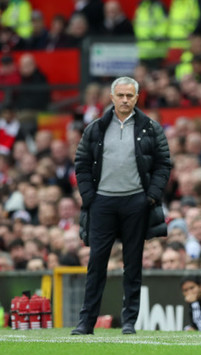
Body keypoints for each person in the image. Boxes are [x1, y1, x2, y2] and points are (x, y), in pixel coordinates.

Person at [71, 76, 171, 335]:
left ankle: (129, 322)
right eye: (121, 95)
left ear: (137, 98)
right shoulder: (96, 128)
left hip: (136, 202)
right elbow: (81, 162)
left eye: (130, 95)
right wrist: (89, 197)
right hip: (102, 202)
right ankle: (86, 322)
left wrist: (151, 196)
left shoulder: (150, 127)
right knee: (96, 263)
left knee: (133, 264)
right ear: (112, 97)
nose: (125, 100)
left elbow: (163, 163)